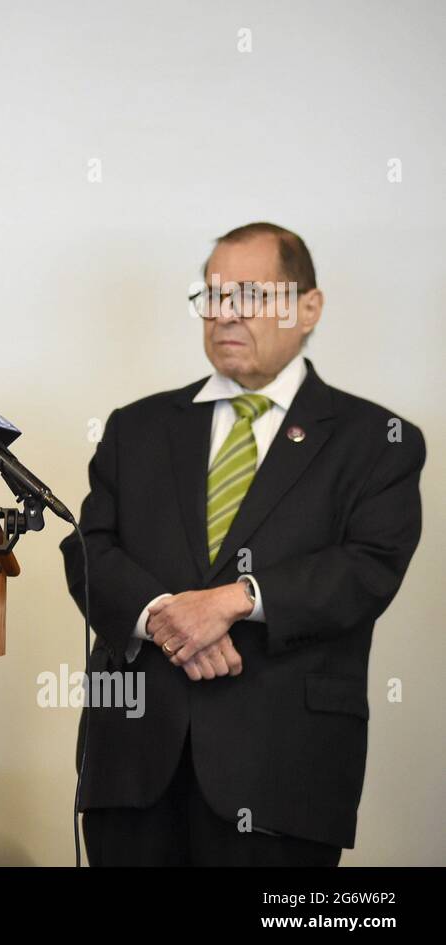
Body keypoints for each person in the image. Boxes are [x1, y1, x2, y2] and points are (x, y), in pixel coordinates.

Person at [60, 222, 425, 865]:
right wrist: (167, 619)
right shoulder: (137, 427)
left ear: (308, 307)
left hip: (284, 768)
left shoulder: (378, 439)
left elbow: (367, 568)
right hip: (135, 766)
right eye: (213, 296)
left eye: (251, 296)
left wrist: (233, 600)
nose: (225, 314)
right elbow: (89, 547)